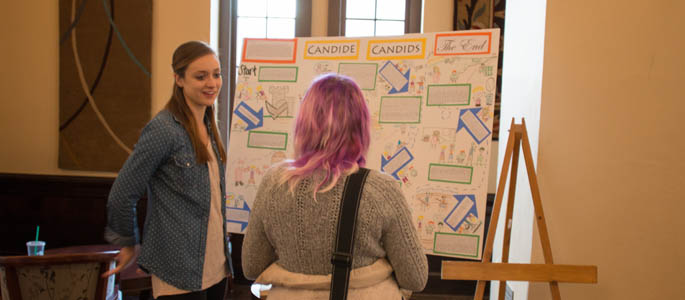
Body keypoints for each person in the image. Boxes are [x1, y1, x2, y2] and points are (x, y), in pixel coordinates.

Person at [242, 74, 428, 299]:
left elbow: (252, 266)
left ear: (304, 124)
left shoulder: (274, 182)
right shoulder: (381, 190)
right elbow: (415, 278)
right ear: (360, 126)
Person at [102, 41, 229, 300]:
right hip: (178, 270)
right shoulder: (163, 129)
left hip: (217, 266)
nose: (212, 83)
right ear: (179, 79)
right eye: (200, 76)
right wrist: (127, 242)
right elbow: (122, 194)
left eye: (216, 74)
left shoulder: (208, 124)